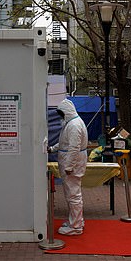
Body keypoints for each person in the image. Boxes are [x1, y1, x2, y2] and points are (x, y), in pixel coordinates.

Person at [48, 99, 88, 236]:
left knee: (73, 194)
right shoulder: (72, 123)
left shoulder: (74, 125)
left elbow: (73, 147)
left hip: (72, 164)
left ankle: (76, 226)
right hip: (72, 162)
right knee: (72, 193)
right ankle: (76, 221)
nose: (60, 116)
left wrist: (69, 166)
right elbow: (64, 143)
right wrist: (52, 149)